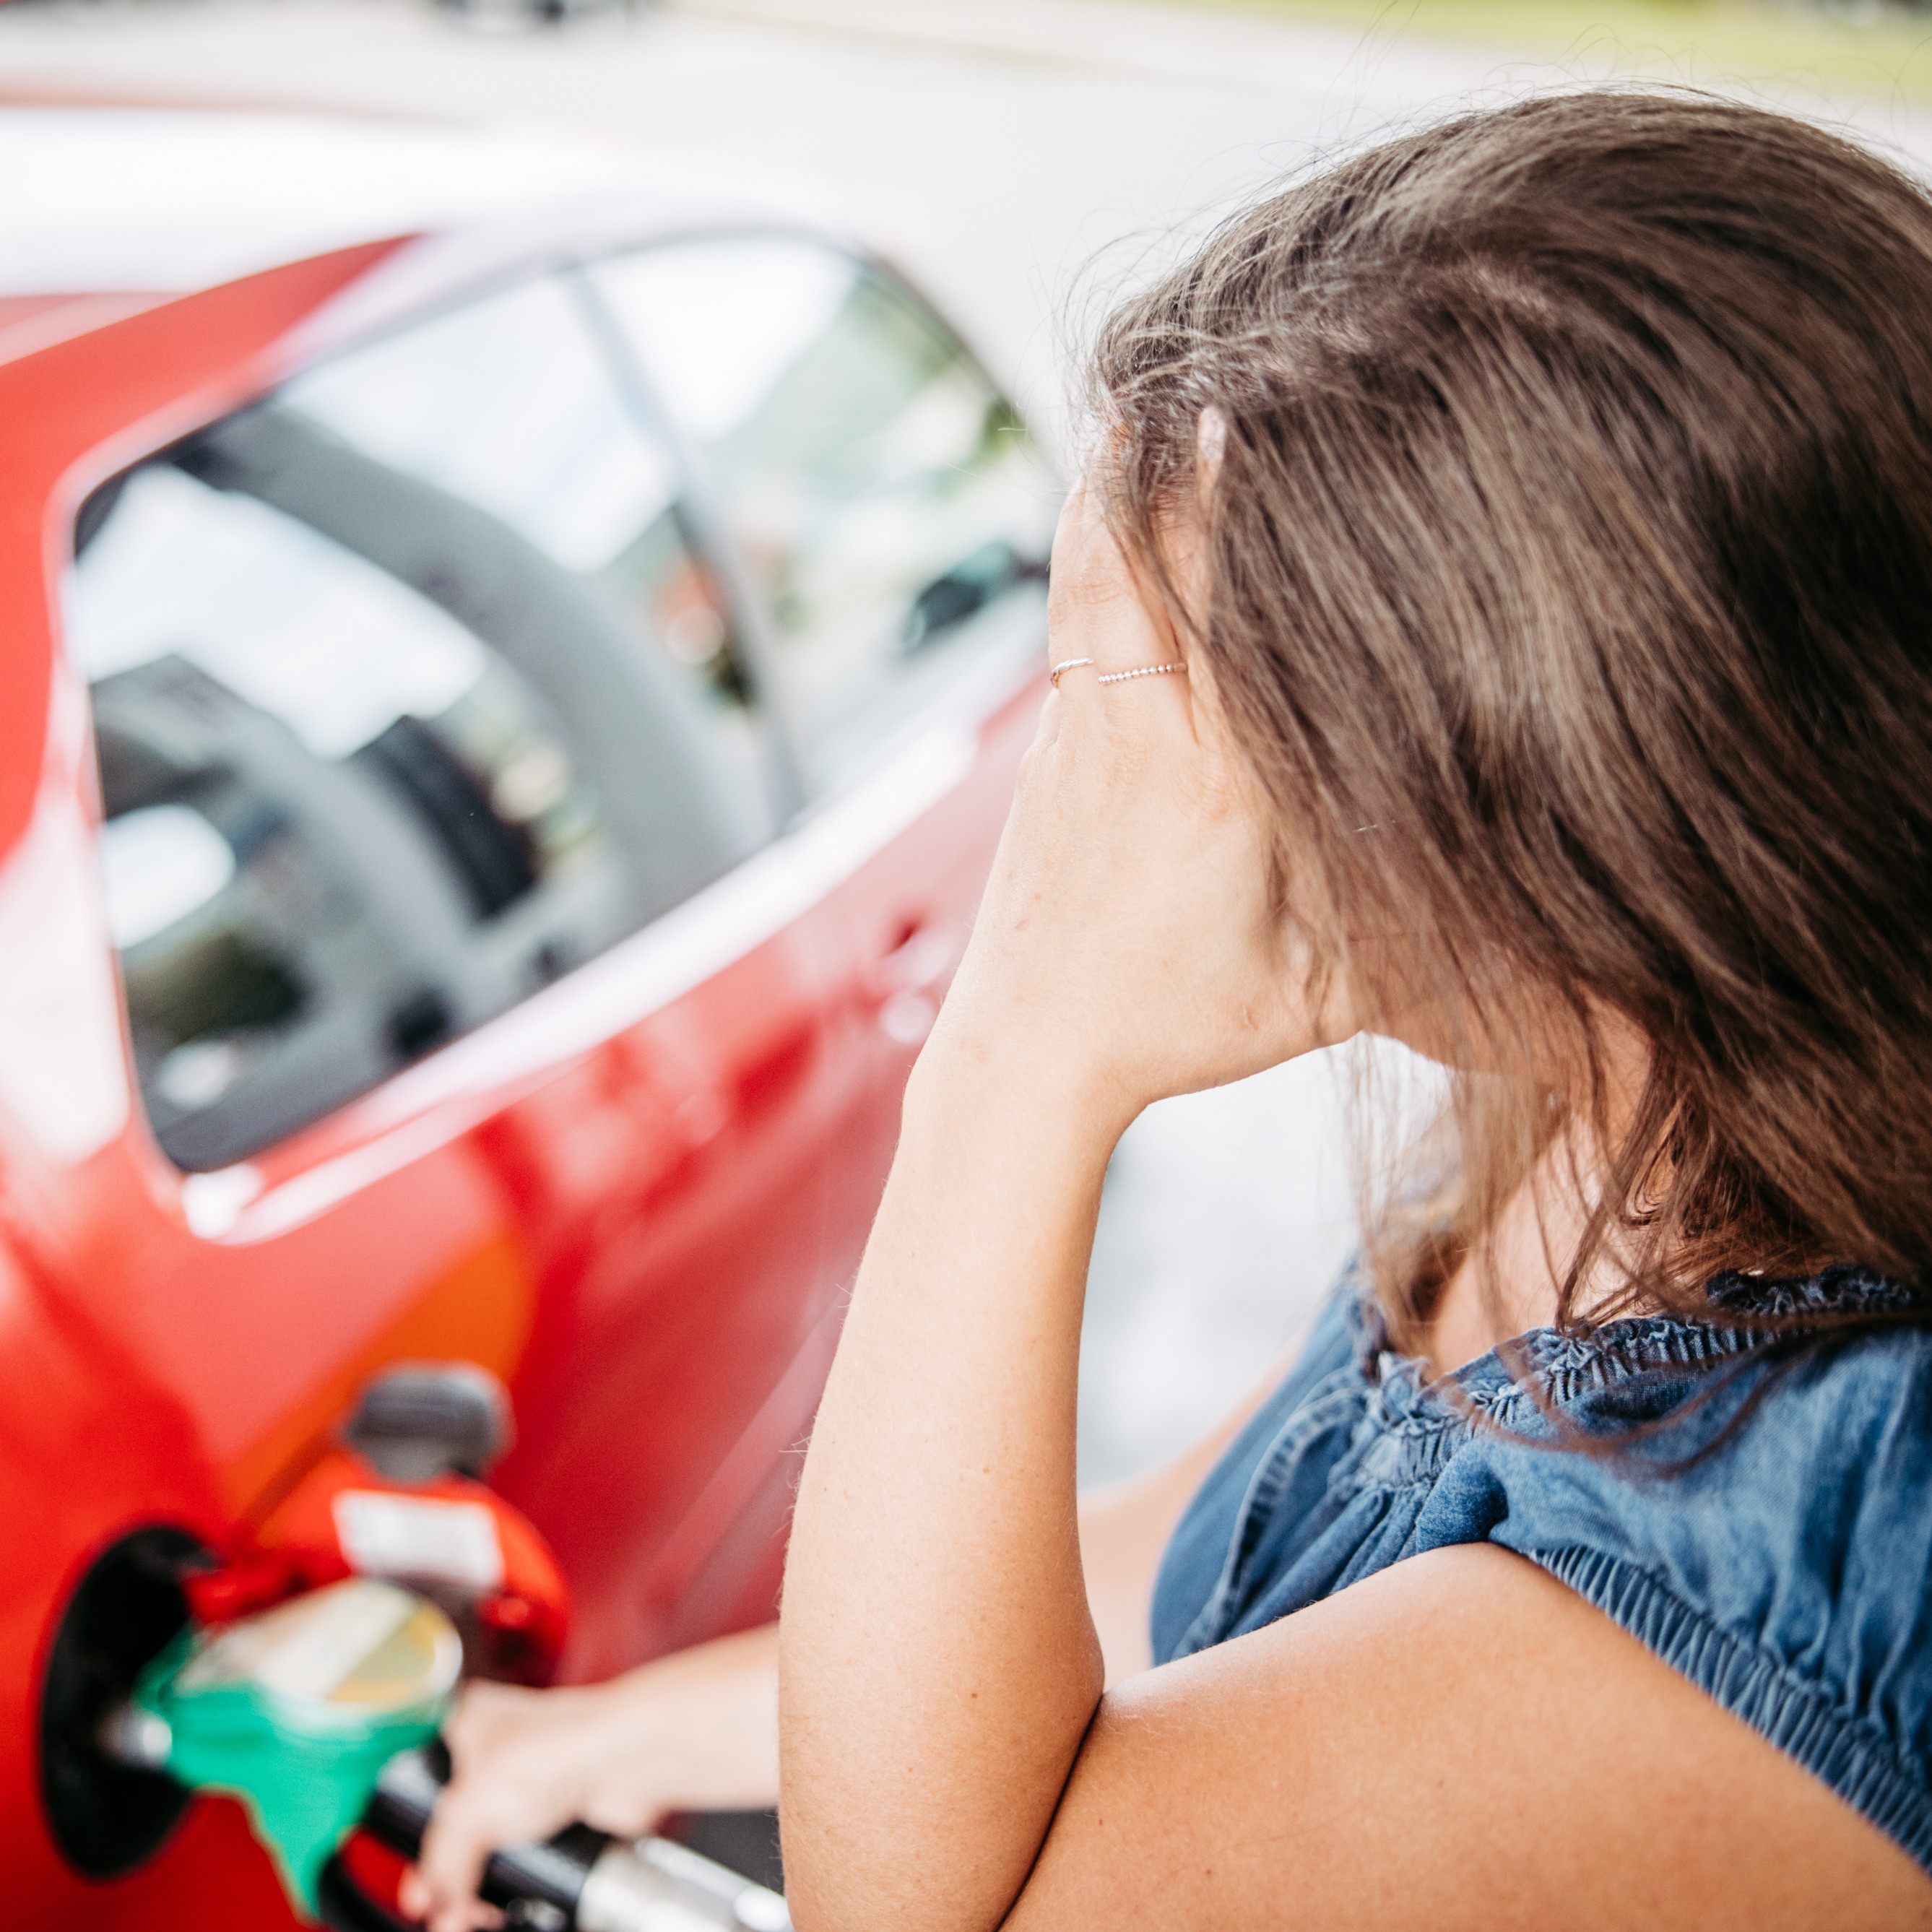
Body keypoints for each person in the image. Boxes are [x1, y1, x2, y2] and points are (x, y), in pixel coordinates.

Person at [407, 91, 1932, 1930]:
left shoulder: (1815, 1552)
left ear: (1594, 808)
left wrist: (1016, 1060)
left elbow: (946, 1913)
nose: (1147, 798)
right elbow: (1214, 1560)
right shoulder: (1620, 1101)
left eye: (1217, 720)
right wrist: (655, 1732)